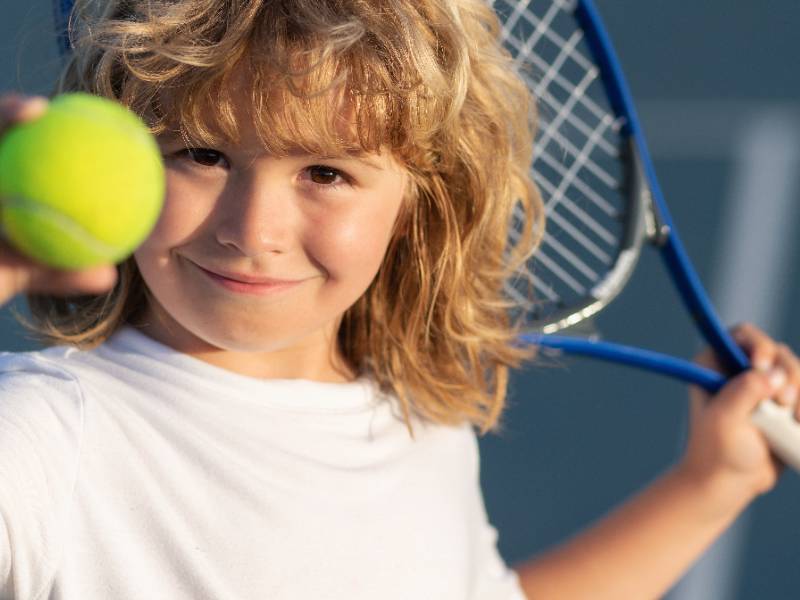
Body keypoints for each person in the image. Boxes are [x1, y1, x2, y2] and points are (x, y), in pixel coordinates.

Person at [0, 1, 798, 598]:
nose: (253, 231)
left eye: (326, 173)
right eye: (202, 154)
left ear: (421, 201)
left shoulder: (415, 424)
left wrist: (711, 484)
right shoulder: (46, 435)